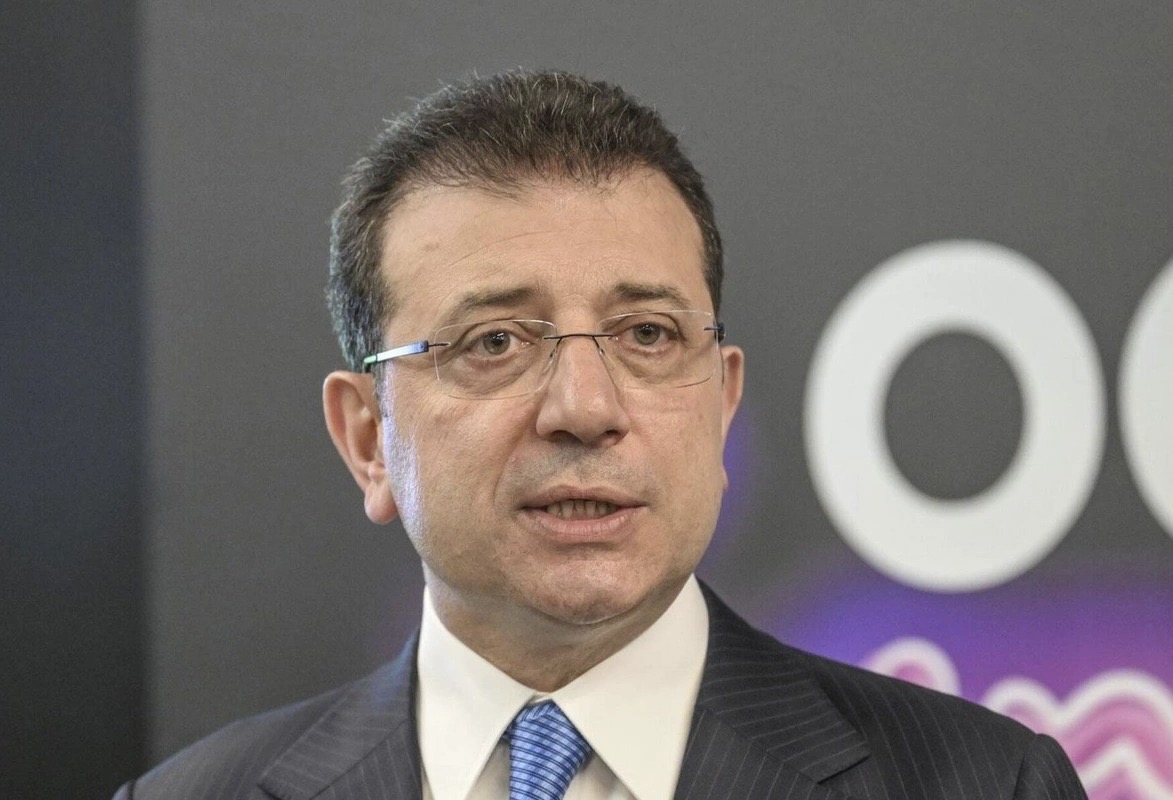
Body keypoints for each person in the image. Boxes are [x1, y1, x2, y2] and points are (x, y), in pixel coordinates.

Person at [114, 70, 1086, 799]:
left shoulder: (984, 784)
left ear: (721, 404)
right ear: (367, 436)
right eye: (496, 341)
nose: (584, 407)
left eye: (647, 335)